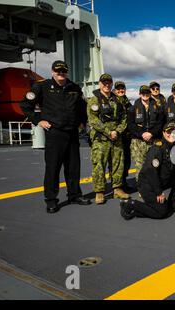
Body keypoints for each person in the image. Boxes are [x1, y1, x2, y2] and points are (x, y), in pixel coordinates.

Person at [19, 60, 91, 213]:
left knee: (73, 167)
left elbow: (82, 108)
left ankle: (74, 195)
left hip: (72, 133)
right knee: (53, 168)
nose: (61, 73)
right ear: (52, 72)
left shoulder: (74, 88)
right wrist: (39, 120)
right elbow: (25, 105)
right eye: (58, 71)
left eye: (63, 71)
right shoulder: (42, 87)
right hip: (54, 133)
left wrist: (82, 123)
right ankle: (51, 200)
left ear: (67, 72)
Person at [119, 123, 175, 220]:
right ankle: (131, 204)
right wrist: (158, 192)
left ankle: (174, 203)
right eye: (168, 132)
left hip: (162, 181)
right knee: (161, 212)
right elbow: (151, 172)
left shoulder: (174, 147)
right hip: (148, 184)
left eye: (174, 132)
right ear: (164, 133)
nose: (171, 134)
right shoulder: (157, 148)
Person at [87, 74, 130, 204]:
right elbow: (93, 120)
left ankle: (117, 188)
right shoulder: (94, 100)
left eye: (109, 83)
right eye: (104, 82)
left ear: (111, 84)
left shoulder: (117, 100)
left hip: (116, 137)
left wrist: (117, 131)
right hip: (101, 139)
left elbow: (124, 118)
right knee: (99, 164)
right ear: (100, 84)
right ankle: (99, 192)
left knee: (117, 164)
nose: (106, 85)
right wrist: (108, 132)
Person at [127, 85, 164, 180]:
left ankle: (153, 188)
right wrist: (142, 134)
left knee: (154, 164)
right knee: (140, 167)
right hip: (138, 142)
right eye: (143, 93)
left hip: (153, 140)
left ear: (150, 94)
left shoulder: (157, 108)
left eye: (147, 93)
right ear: (139, 94)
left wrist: (151, 133)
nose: (145, 95)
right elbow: (131, 125)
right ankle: (142, 190)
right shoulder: (133, 108)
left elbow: (160, 123)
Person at [114, 81, 132, 190]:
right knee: (116, 162)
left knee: (126, 160)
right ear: (115, 90)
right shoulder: (113, 101)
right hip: (116, 136)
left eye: (122, 88)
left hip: (126, 136)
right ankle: (117, 185)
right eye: (118, 89)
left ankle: (123, 181)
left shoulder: (127, 102)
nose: (121, 90)